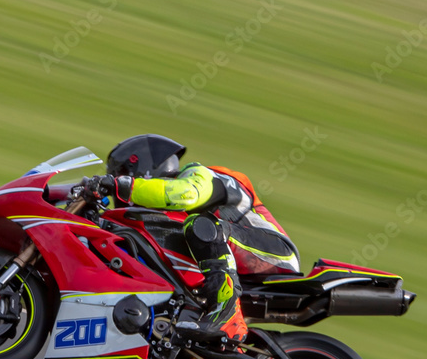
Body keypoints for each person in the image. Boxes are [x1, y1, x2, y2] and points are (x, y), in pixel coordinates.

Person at [85, 134, 301, 342]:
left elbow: (186, 194)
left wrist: (122, 185)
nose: (117, 184)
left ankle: (227, 313)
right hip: (236, 255)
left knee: (202, 226)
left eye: (122, 173)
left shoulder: (200, 175)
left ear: (143, 170)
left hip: (272, 252)